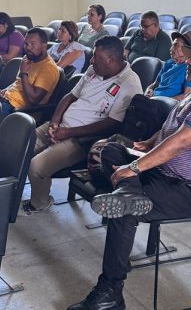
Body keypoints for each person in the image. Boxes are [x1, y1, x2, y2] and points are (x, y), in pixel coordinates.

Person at [67, 40, 191, 310]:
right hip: (165, 174)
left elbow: (181, 142)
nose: (188, 63)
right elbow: (172, 128)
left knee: (123, 211)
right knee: (112, 149)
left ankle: (111, 291)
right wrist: (149, 143)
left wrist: (135, 167)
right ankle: (129, 193)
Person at [23, 36, 142, 214]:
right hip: (60, 127)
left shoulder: (129, 83)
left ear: (110, 59)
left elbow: (112, 124)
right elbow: (70, 96)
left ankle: (40, 203)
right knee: (20, 148)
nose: (91, 60)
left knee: (36, 167)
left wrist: (68, 133)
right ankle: (8, 191)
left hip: (81, 140)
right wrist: (55, 121)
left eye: (96, 57)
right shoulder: (94, 70)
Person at [0, 28, 61, 116]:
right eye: (26, 44)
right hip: (4, 99)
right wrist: (3, 91)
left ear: (44, 45)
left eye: (33, 44)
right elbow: (17, 83)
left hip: (15, 109)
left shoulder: (48, 68)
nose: (28, 47)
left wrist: (24, 73)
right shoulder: (29, 58)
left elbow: (33, 99)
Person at [143, 31, 191, 100]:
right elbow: (154, 85)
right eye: (172, 45)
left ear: (186, 50)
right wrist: (148, 91)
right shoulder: (168, 63)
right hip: (152, 99)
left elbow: (187, 96)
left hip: (164, 103)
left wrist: (163, 101)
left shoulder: (190, 69)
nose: (171, 49)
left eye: (175, 45)